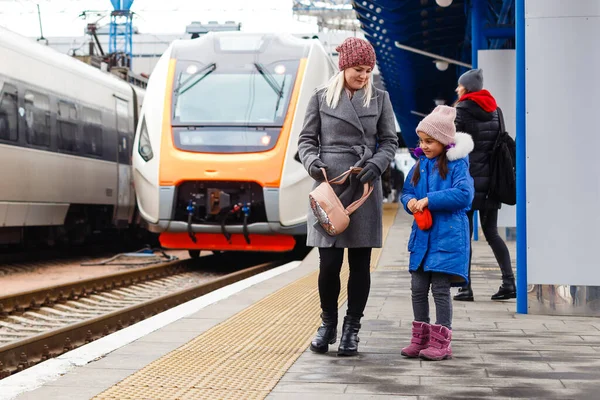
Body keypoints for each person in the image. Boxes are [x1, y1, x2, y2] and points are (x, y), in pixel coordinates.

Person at [297, 37, 398, 356]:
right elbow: (305, 140)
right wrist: (313, 163)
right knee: (328, 263)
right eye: (358, 69)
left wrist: (378, 164)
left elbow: (390, 141)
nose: (364, 75)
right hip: (329, 187)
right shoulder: (319, 98)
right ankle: (327, 324)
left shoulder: (380, 99)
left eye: (369, 70)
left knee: (360, 264)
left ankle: (352, 329)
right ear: (343, 67)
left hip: (363, 188)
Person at [400, 105, 474, 361]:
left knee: (440, 290)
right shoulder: (421, 163)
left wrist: (430, 199)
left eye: (430, 141)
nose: (425, 145)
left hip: (448, 238)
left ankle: (442, 341)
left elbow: (465, 195)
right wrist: (409, 202)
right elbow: (407, 191)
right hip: (423, 237)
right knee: (418, 287)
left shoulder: (457, 166)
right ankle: (420, 338)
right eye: (422, 140)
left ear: (444, 141)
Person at [452, 69, 516, 302]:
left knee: (464, 236)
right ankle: (509, 282)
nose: (457, 89)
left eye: (459, 86)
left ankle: (465, 287)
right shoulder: (496, 111)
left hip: (467, 182)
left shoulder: (461, 110)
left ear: (466, 88)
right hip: (491, 183)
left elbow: (453, 144)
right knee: (492, 233)